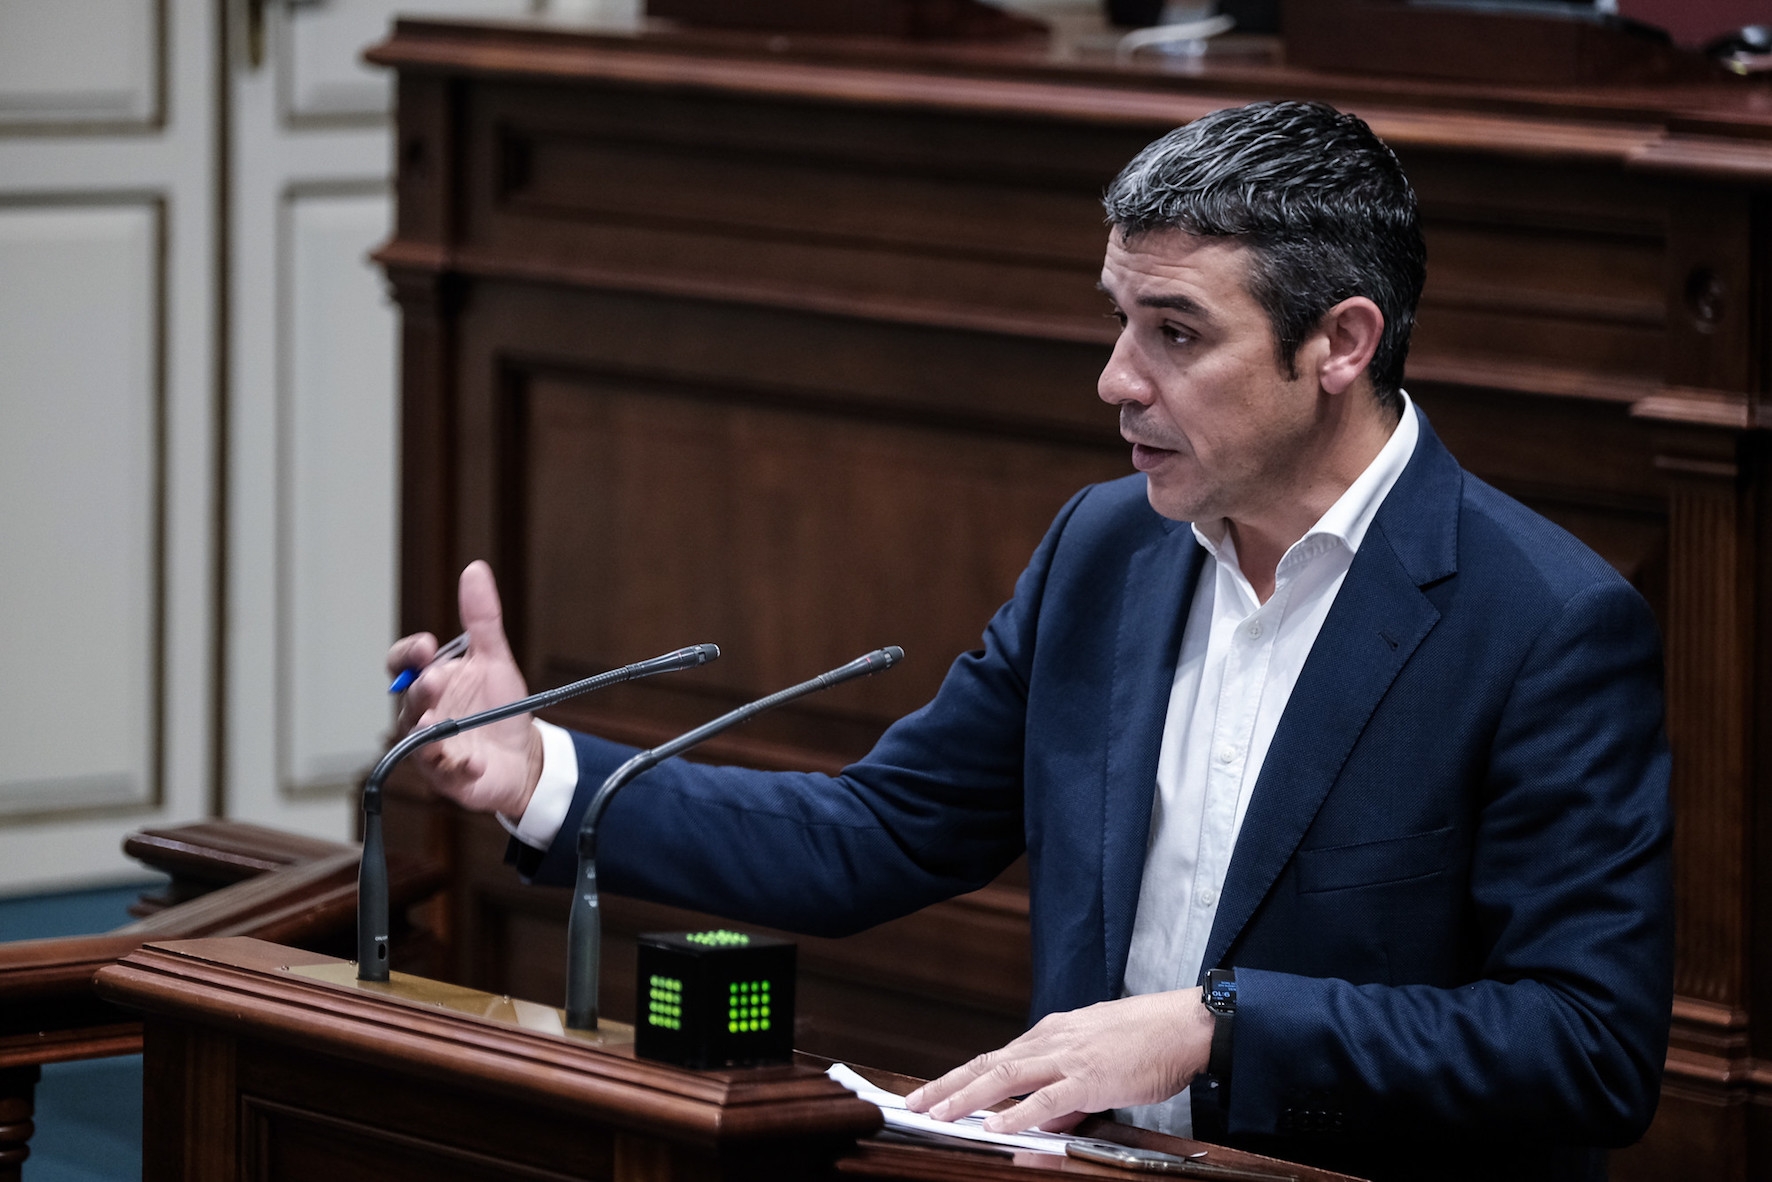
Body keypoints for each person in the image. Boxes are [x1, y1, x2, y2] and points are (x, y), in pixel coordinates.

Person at [386, 101, 1672, 1181]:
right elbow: (877, 834)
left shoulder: (1541, 624)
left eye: (1174, 333)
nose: (1116, 378)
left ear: (1339, 343)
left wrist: (1216, 1028)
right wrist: (538, 772)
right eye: (1118, 319)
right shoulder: (1106, 550)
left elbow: (1583, 1047)